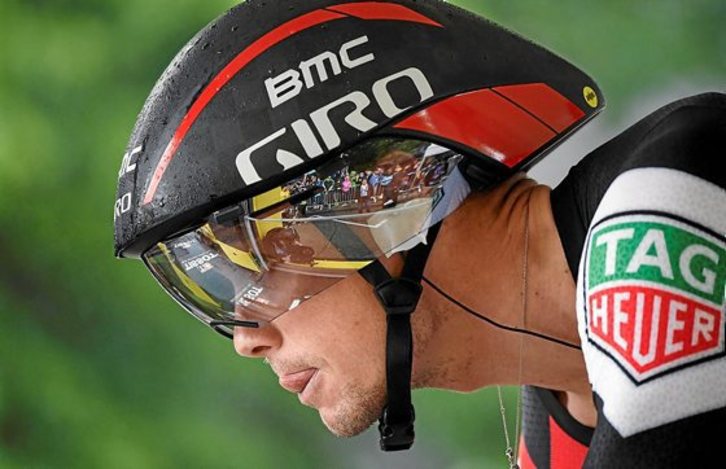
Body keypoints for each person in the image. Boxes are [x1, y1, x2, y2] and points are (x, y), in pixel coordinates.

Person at [113, 1, 725, 467]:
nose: (247, 340)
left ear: (389, 193)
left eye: (258, 264)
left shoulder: (671, 192)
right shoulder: (558, 413)